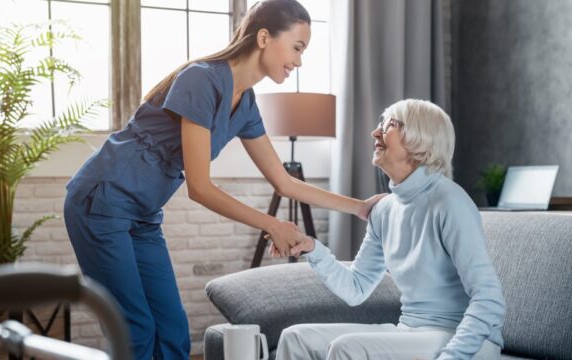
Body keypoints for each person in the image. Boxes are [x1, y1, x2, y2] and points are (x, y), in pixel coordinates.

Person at [63, 1, 382, 359]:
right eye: (297, 47)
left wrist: (361, 208)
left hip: (142, 215)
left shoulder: (245, 103)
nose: (299, 61)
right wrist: (271, 224)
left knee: (172, 329)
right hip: (101, 201)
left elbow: (285, 183)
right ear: (264, 37)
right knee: (135, 327)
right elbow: (199, 187)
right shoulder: (202, 79)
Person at [271, 99, 506, 360]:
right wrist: (314, 250)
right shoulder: (384, 210)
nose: (376, 132)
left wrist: (452, 356)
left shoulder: (450, 202)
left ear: (421, 139)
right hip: (410, 331)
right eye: (381, 123)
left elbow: (489, 300)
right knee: (295, 338)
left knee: (347, 348)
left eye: (391, 124)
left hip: (465, 339)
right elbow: (355, 287)